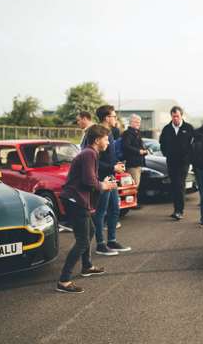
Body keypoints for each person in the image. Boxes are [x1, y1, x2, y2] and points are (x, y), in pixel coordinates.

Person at [56, 124, 117, 294]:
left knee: (90, 230)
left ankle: (87, 266)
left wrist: (101, 183)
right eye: (106, 139)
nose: (108, 142)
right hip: (74, 200)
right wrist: (103, 185)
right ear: (97, 140)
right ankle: (64, 280)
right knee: (82, 240)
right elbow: (89, 181)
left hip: (76, 199)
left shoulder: (91, 153)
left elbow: (89, 180)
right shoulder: (89, 153)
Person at [92, 105, 131, 255]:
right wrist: (112, 168)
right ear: (107, 118)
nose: (116, 119)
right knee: (101, 211)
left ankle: (112, 241)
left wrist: (117, 164)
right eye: (114, 116)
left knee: (115, 209)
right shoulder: (96, 133)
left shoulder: (111, 133)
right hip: (103, 178)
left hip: (111, 175)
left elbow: (110, 156)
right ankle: (100, 245)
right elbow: (95, 160)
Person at [159, 105, 194, 220]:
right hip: (171, 161)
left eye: (177, 116)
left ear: (181, 116)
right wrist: (166, 154)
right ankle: (176, 209)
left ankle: (179, 211)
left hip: (183, 163)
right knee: (174, 185)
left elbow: (193, 145)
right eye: (173, 117)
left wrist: (189, 158)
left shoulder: (188, 128)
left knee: (179, 185)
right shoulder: (167, 129)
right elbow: (162, 143)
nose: (175, 119)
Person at [122, 114, 149, 186]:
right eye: (136, 122)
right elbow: (126, 146)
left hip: (139, 164)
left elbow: (140, 145)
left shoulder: (137, 133)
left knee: (136, 186)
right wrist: (139, 151)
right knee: (133, 187)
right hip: (132, 165)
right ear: (131, 122)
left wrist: (145, 150)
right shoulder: (127, 133)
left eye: (139, 122)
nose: (138, 124)